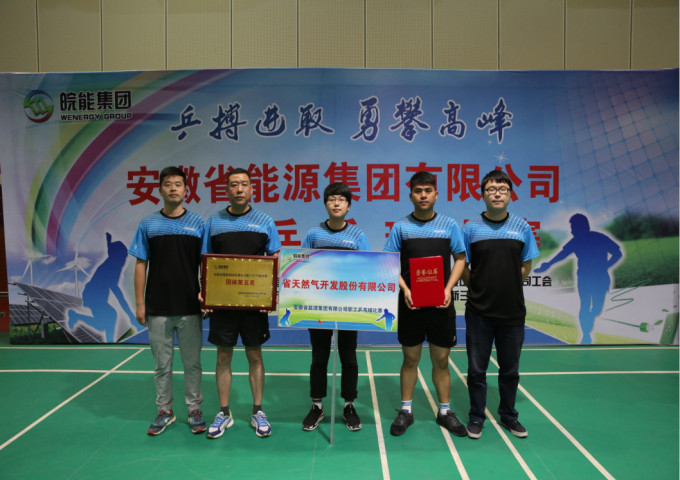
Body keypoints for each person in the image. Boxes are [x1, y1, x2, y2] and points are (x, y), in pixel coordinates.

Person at [383, 171, 467, 437]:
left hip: (441, 305)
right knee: (410, 359)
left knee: (441, 360)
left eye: (428, 191)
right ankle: (406, 411)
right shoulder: (401, 227)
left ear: (436, 195)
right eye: (418, 191)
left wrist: (447, 289)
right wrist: (406, 289)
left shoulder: (449, 225)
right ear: (410, 196)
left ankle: (445, 412)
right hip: (411, 306)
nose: (423, 195)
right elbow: (389, 262)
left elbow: (460, 259)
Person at [201, 167, 281, 439]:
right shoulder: (214, 221)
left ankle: (258, 411)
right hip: (222, 304)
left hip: (253, 305)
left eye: (244, 184)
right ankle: (224, 412)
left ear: (251, 189)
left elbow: (275, 259)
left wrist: (272, 293)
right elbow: (205, 259)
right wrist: (205, 293)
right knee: (223, 356)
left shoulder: (265, 221)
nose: (239, 189)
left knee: (254, 355)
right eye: (234, 184)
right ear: (226, 190)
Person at [461, 169, 539, 439]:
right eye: (491, 189)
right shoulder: (470, 229)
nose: (497, 194)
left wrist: (509, 285)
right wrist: (479, 288)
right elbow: (463, 265)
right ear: (483, 195)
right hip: (478, 312)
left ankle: (508, 416)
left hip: (512, 313)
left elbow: (526, 264)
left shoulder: (522, 227)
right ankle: (476, 417)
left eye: (502, 189)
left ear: (510, 194)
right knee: (476, 371)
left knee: (510, 371)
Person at [128, 166, 206, 436]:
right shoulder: (148, 224)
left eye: (178, 184)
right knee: (162, 365)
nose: (173, 188)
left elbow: (206, 263)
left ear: (186, 190)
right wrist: (140, 304)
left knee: (192, 364)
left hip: (189, 307)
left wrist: (205, 293)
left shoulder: (198, 223)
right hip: (158, 307)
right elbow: (141, 264)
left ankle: (194, 409)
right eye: (168, 184)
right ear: (160, 190)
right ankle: (165, 411)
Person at [300, 183, 371, 432]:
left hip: (348, 308)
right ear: (325, 204)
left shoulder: (357, 236)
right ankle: (317, 406)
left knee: (349, 358)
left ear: (348, 206)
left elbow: (368, 269)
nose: (336, 203)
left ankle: (349, 405)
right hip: (319, 307)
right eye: (331, 199)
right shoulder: (313, 235)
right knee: (319, 358)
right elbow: (301, 267)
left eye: (341, 199)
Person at [534, 213, 622, 344]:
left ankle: (590, 318)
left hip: (600, 277)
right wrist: (548, 265)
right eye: (572, 228)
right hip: (584, 277)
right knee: (585, 305)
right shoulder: (575, 241)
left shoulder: (599, 237)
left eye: (574, 227)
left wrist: (606, 266)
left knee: (597, 309)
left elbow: (617, 253)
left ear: (583, 226)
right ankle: (586, 335)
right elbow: (562, 255)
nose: (572, 231)